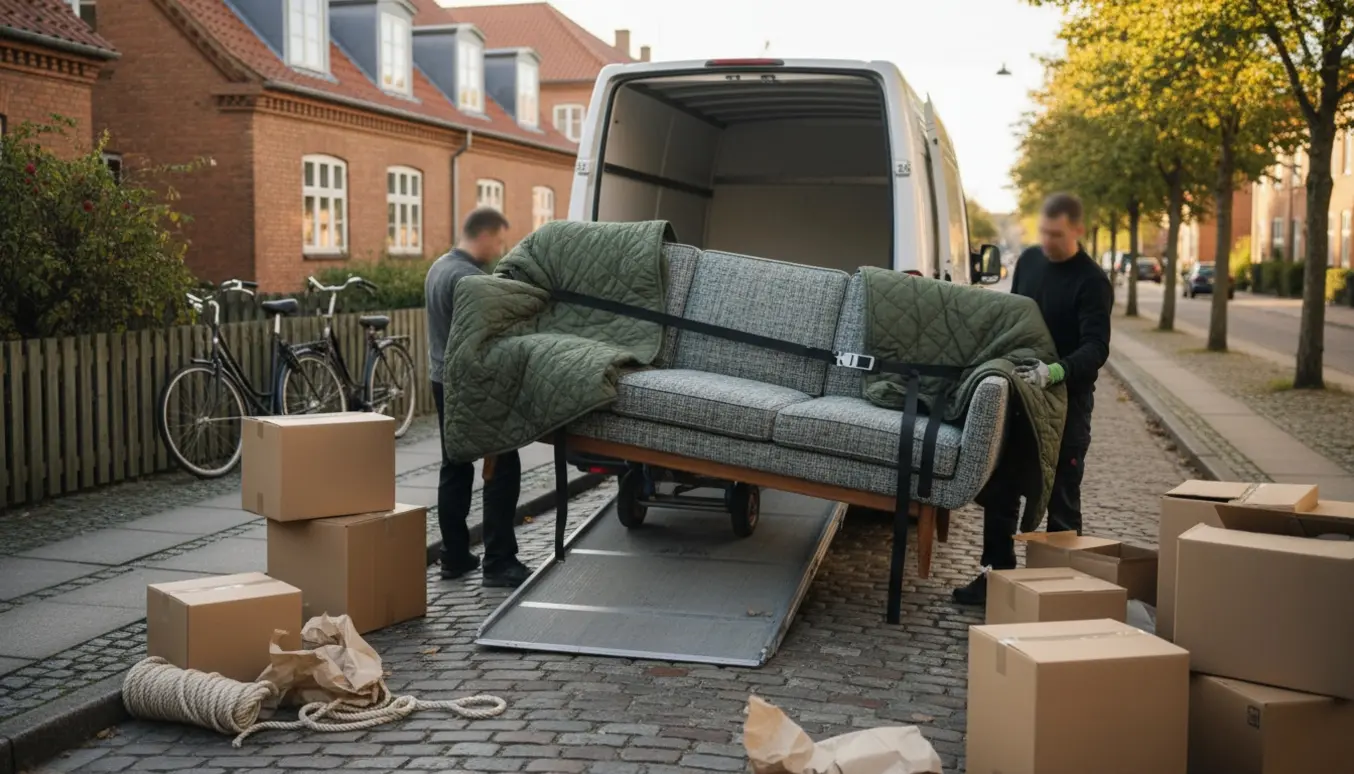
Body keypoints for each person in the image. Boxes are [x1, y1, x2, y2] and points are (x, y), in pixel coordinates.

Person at [953, 192, 1113, 606]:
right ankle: (995, 578)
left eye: (1056, 234)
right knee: (1001, 486)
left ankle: (1059, 593)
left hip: (1067, 404)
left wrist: (1055, 372)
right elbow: (1013, 317)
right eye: (1043, 231)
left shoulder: (1092, 282)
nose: (1048, 241)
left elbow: (1096, 348)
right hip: (1020, 389)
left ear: (1077, 230)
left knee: (1061, 494)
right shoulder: (1029, 262)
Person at [426, 207, 531, 588]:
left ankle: (454, 556)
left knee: (455, 467)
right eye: (499, 241)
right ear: (484, 235)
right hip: (473, 386)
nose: (499, 250)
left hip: (441, 379)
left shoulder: (438, 268)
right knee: (502, 467)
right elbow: (488, 341)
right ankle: (499, 561)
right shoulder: (469, 279)